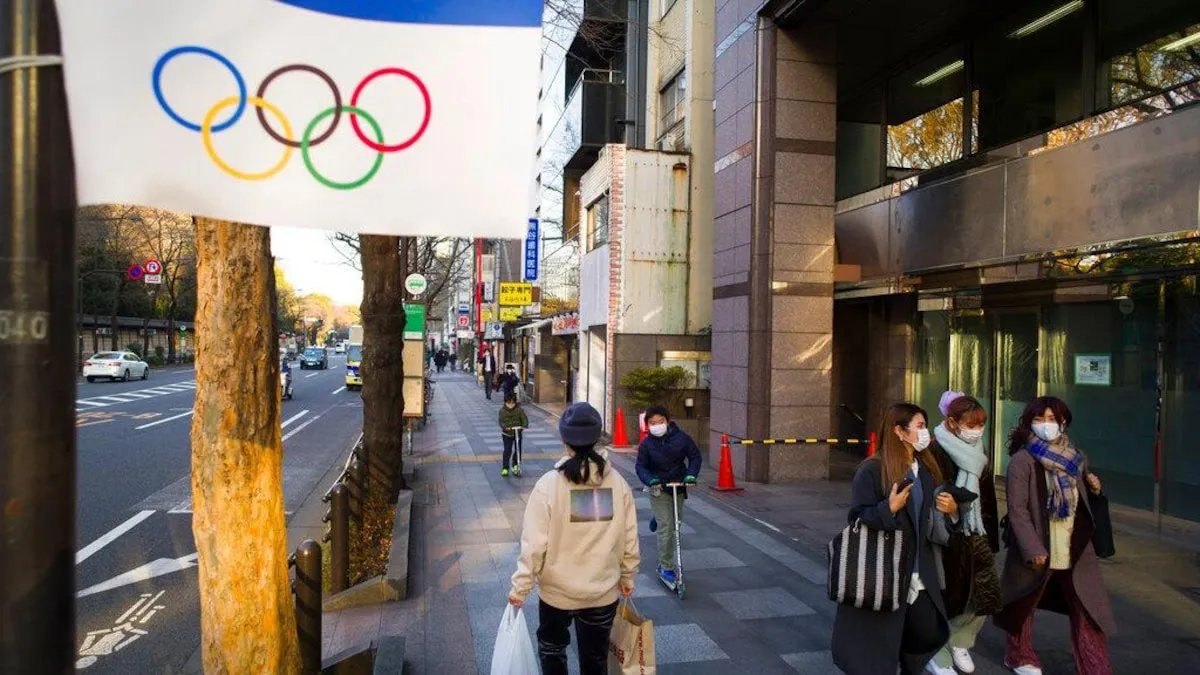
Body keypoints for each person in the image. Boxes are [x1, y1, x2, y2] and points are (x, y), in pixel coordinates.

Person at [509, 402, 640, 675]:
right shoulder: (618, 484)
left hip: (557, 594)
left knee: (553, 651)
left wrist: (520, 588)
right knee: (595, 659)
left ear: (563, 439)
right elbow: (629, 539)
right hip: (602, 591)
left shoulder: (549, 485)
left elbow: (534, 544)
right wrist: (627, 577)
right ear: (597, 437)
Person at [832, 403, 958, 675]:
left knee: (928, 631)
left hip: (921, 570)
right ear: (899, 431)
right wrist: (887, 509)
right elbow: (857, 518)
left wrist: (952, 512)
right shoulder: (873, 469)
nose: (925, 433)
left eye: (925, 426)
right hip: (885, 570)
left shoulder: (926, 468)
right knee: (882, 642)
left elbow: (933, 522)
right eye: (920, 427)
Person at [994, 396, 1115, 675]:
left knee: (1088, 610)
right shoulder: (1022, 461)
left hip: (1074, 545)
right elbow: (1018, 510)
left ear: (1063, 422)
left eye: (1052, 419)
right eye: (1039, 419)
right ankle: (1018, 654)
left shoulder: (1077, 457)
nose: (1046, 425)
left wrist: (1095, 489)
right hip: (1039, 545)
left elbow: (1083, 501)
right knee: (1024, 604)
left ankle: (1095, 666)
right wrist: (1032, 548)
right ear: (1029, 424)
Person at [926, 392, 1001, 675]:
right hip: (945, 534)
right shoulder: (935, 451)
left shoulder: (978, 450)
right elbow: (933, 492)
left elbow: (988, 495)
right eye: (970, 424)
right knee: (949, 596)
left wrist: (989, 534)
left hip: (976, 530)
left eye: (980, 424)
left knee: (983, 592)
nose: (976, 430)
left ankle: (961, 640)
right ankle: (939, 655)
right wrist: (955, 507)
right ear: (952, 422)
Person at [634, 405, 701, 587]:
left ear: (668, 421)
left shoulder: (682, 438)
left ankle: (658, 516)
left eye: (660, 421)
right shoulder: (646, 444)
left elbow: (695, 457)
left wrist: (691, 475)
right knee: (666, 527)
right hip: (658, 488)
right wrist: (650, 479)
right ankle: (666, 566)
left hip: (678, 485)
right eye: (652, 423)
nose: (656, 425)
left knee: (676, 525)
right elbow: (641, 466)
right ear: (647, 425)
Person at [498, 394, 529, 477]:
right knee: (507, 451)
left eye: (513, 403)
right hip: (507, 434)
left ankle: (516, 465)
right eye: (509, 403)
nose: (511, 405)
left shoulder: (519, 410)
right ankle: (505, 468)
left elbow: (524, 419)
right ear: (505, 402)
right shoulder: (502, 411)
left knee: (518, 450)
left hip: (517, 433)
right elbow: (501, 421)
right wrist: (505, 427)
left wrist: (524, 425)